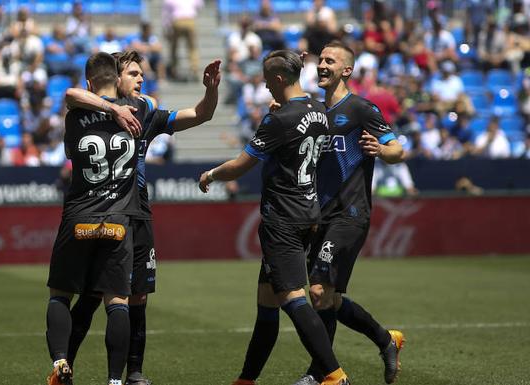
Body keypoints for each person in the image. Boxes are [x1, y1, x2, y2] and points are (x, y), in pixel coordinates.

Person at [64, 51, 221, 385]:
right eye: (133, 73)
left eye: (142, 74)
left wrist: (211, 89)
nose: (140, 79)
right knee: (93, 297)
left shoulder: (145, 111)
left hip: (139, 212)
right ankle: (65, 366)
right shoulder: (94, 109)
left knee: (139, 295)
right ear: (115, 78)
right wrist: (112, 105)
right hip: (105, 211)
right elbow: (73, 94)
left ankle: (133, 371)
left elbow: (201, 114)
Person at [199, 50, 350, 385]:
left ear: (279, 79)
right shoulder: (318, 110)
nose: (265, 86)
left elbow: (242, 163)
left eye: (267, 80)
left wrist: (212, 174)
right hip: (309, 211)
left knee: (293, 298)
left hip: (283, 217)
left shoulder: (277, 119)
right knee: (267, 302)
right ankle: (246, 380)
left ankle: (335, 376)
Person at [291, 41, 405, 385]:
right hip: (318, 215)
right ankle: (386, 340)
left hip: (350, 213)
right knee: (327, 298)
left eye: (330, 61)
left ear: (347, 70)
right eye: (320, 60)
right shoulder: (312, 111)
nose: (322, 65)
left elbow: (399, 149)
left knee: (317, 292)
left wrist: (383, 151)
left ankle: (320, 373)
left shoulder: (360, 109)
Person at [45, 52, 148, 385]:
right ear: (117, 81)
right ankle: (115, 380)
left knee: (61, 294)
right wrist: (119, 106)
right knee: (117, 302)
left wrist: (109, 106)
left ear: (89, 82)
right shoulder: (138, 110)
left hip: (79, 216)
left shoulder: (75, 114)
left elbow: (70, 95)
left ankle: (61, 363)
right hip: (118, 219)